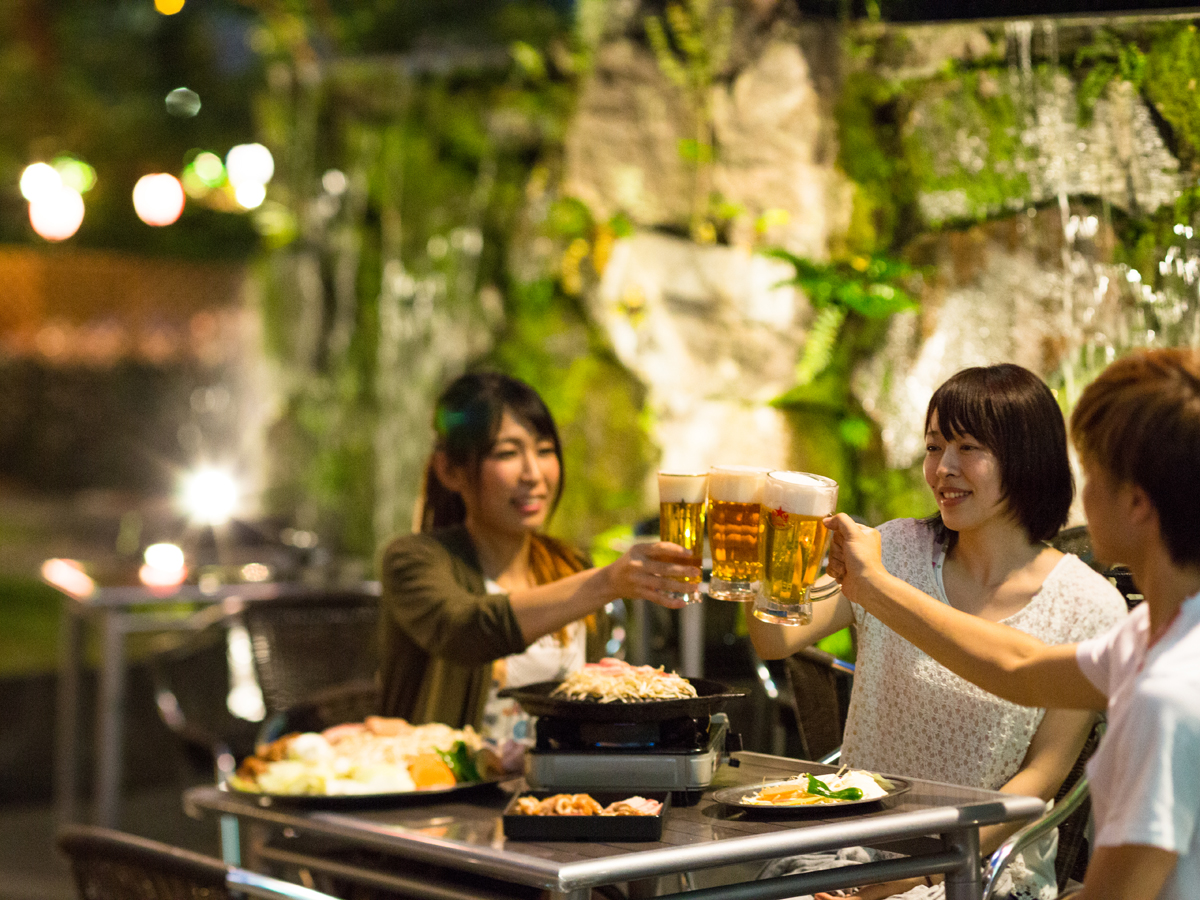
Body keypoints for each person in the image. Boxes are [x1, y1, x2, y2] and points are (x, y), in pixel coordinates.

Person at [826, 347, 1200, 900]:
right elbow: (1018, 667)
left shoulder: (1166, 698)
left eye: (1093, 472)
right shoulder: (1151, 635)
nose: (1080, 493)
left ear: (1138, 504)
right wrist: (876, 585)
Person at [748, 364, 1128, 900]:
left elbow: (1041, 779)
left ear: (1026, 459)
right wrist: (765, 554)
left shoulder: (1089, 606)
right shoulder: (894, 551)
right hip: (851, 842)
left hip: (984, 861)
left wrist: (914, 876)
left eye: (967, 447)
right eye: (932, 447)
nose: (942, 468)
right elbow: (774, 640)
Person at [377, 371, 699, 752]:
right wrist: (605, 582)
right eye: (508, 453)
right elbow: (464, 629)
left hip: (557, 793)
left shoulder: (567, 563)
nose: (533, 474)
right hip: (450, 793)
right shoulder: (415, 559)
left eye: (545, 450)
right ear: (450, 470)